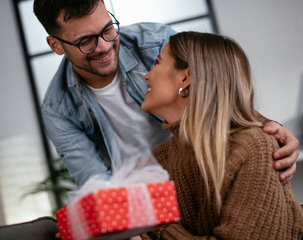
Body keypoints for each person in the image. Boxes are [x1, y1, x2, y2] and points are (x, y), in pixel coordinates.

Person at [33, 0, 299, 187]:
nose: (103, 46)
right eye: (85, 42)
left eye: (107, 29)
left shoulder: (155, 42)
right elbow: (96, 184)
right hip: (139, 202)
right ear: (55, 44)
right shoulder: (58, 110)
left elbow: (214, 88)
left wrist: (267, 127)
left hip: (196, 173)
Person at [137, 31, 303, 239]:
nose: (146, 75)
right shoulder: (160, 159)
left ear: (185, 78)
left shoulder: (253, 147)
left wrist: (160, 226)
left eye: (157, 63)